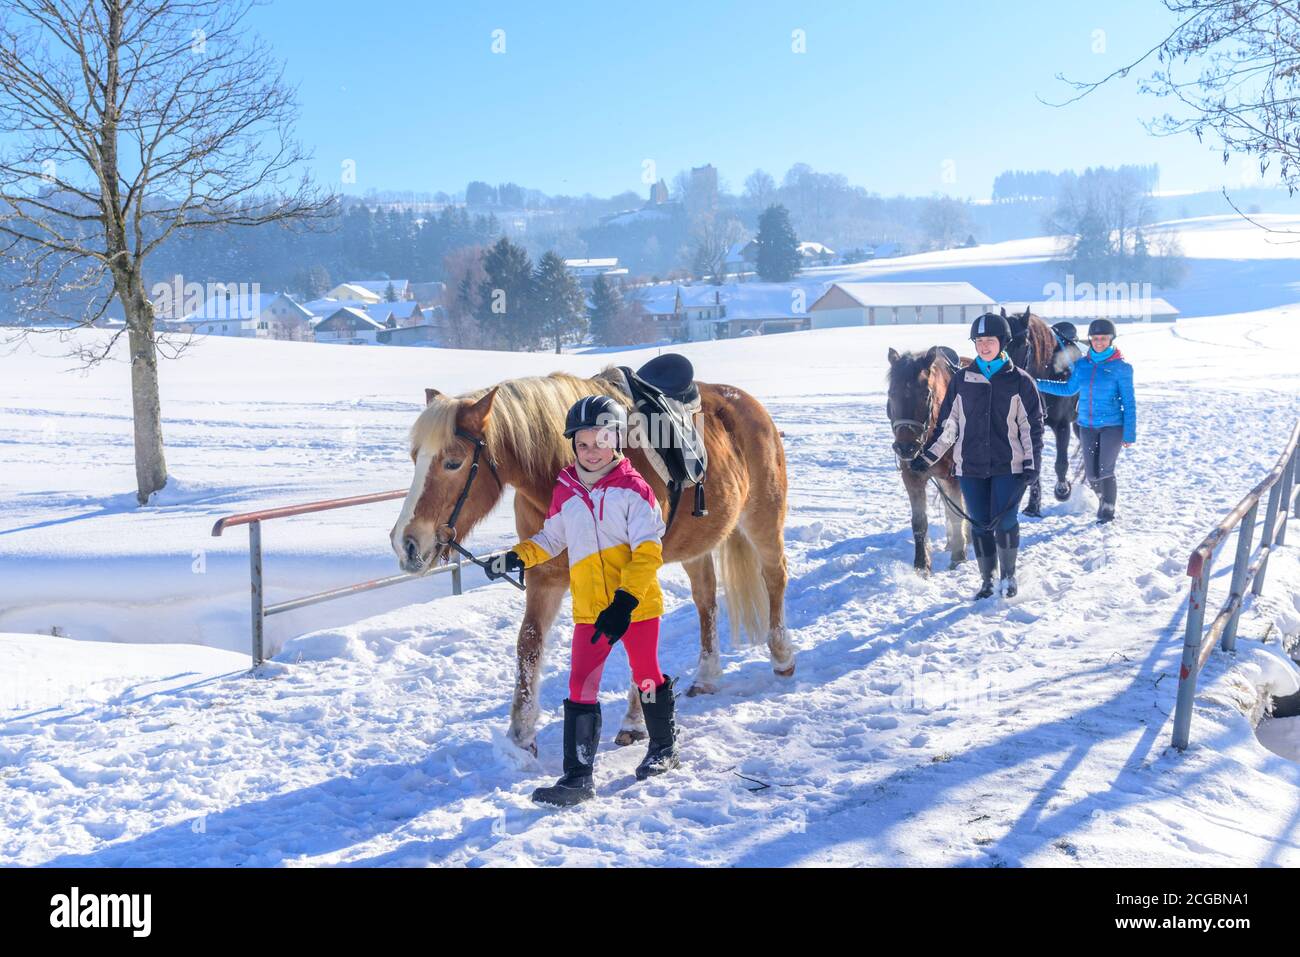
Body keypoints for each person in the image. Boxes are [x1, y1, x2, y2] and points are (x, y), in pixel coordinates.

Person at [486, 394, 678, 807]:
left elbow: (648, 553)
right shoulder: (566, 489)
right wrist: (517, 555)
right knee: (580, 686)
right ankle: (577, 777)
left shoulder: (635, 490)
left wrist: (625, 603)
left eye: (602, 441)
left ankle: (663, 749)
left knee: (646, 673)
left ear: (618, 442)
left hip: (636, 607)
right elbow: (552, 538)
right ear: (573, 444)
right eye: (583, 443)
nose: (592, 452)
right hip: (591, 610)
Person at [910, 313, 1044, 599]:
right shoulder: (962, 381)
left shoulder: (1021, 382)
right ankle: (987, 580)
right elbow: (949, 427)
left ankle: (1008, 577)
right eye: (979, 341)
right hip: (971, 467)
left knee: (1005, 520)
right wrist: (928, 457)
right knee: (980, 523)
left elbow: (1031, 428)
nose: (983, 347)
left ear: (1003, 343)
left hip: (1010, 466)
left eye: (989, 341)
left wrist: (1033, 465)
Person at [1034, 318, 1136, 524]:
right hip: (1087, 426)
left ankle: (1108, 508)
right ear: (1090, 340)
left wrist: (1129, 433)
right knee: (1092, 474)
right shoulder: (1082, 365)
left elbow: (1129, 402)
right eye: (1095, 338)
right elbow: (1068, 389)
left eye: (1103, 338)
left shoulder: (1121, 367)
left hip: (1112, 426)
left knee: (1106, 469)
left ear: (1111, 340)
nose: (1099, 342)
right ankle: (1102, 498)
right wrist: (1037, 384)